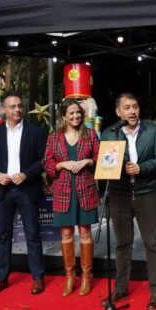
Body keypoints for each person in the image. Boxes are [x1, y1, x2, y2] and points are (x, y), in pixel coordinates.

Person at [99, 93, 156, 310]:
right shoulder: (109, 133)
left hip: (146, 192)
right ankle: (120, 288)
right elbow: (106, 162)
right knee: (122, 243)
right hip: (119, 194)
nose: (132, 111)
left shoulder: (151, 130)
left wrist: (141, 168)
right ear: (118, 112)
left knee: (152, 242)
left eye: (135, 107)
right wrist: (120, 167)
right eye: (127, 107)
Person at [0, 92, 48, 296]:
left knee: (32, 234)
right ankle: (1, 278)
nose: (18, 110)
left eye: (20, 106)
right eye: (12, 106)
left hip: (27, 189)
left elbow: (44, 160)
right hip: (4, 190)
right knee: (3, 236)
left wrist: (26, 174)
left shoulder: (35, 131)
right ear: (3, 109)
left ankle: (38, 277)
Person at [43, 98, 100, 296]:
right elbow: (47, 162)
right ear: (63, 117)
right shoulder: (54, 137)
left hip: (86, 189)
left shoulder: (90, 134)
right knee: (66, 233)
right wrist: (62, 165)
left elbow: (101, 158)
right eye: (71, 113)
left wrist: (87, 161)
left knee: (85, 232)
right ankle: (69, 277)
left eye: (78, 113)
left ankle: (86, 277)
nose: (76, 116)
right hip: (63, 190)